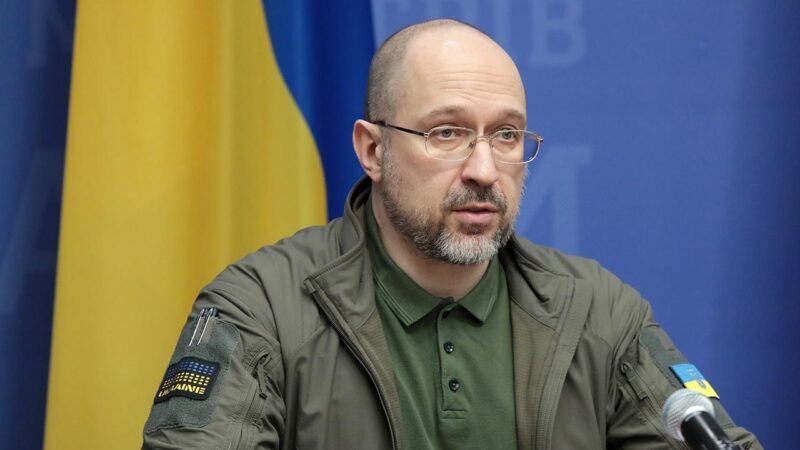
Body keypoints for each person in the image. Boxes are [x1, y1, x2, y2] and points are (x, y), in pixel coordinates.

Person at [142, 19, 761, 449]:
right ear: (373, 149)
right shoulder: (261, 308)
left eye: (506, 135)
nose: (484, 169)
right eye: (447, 133)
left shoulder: (598, 311)